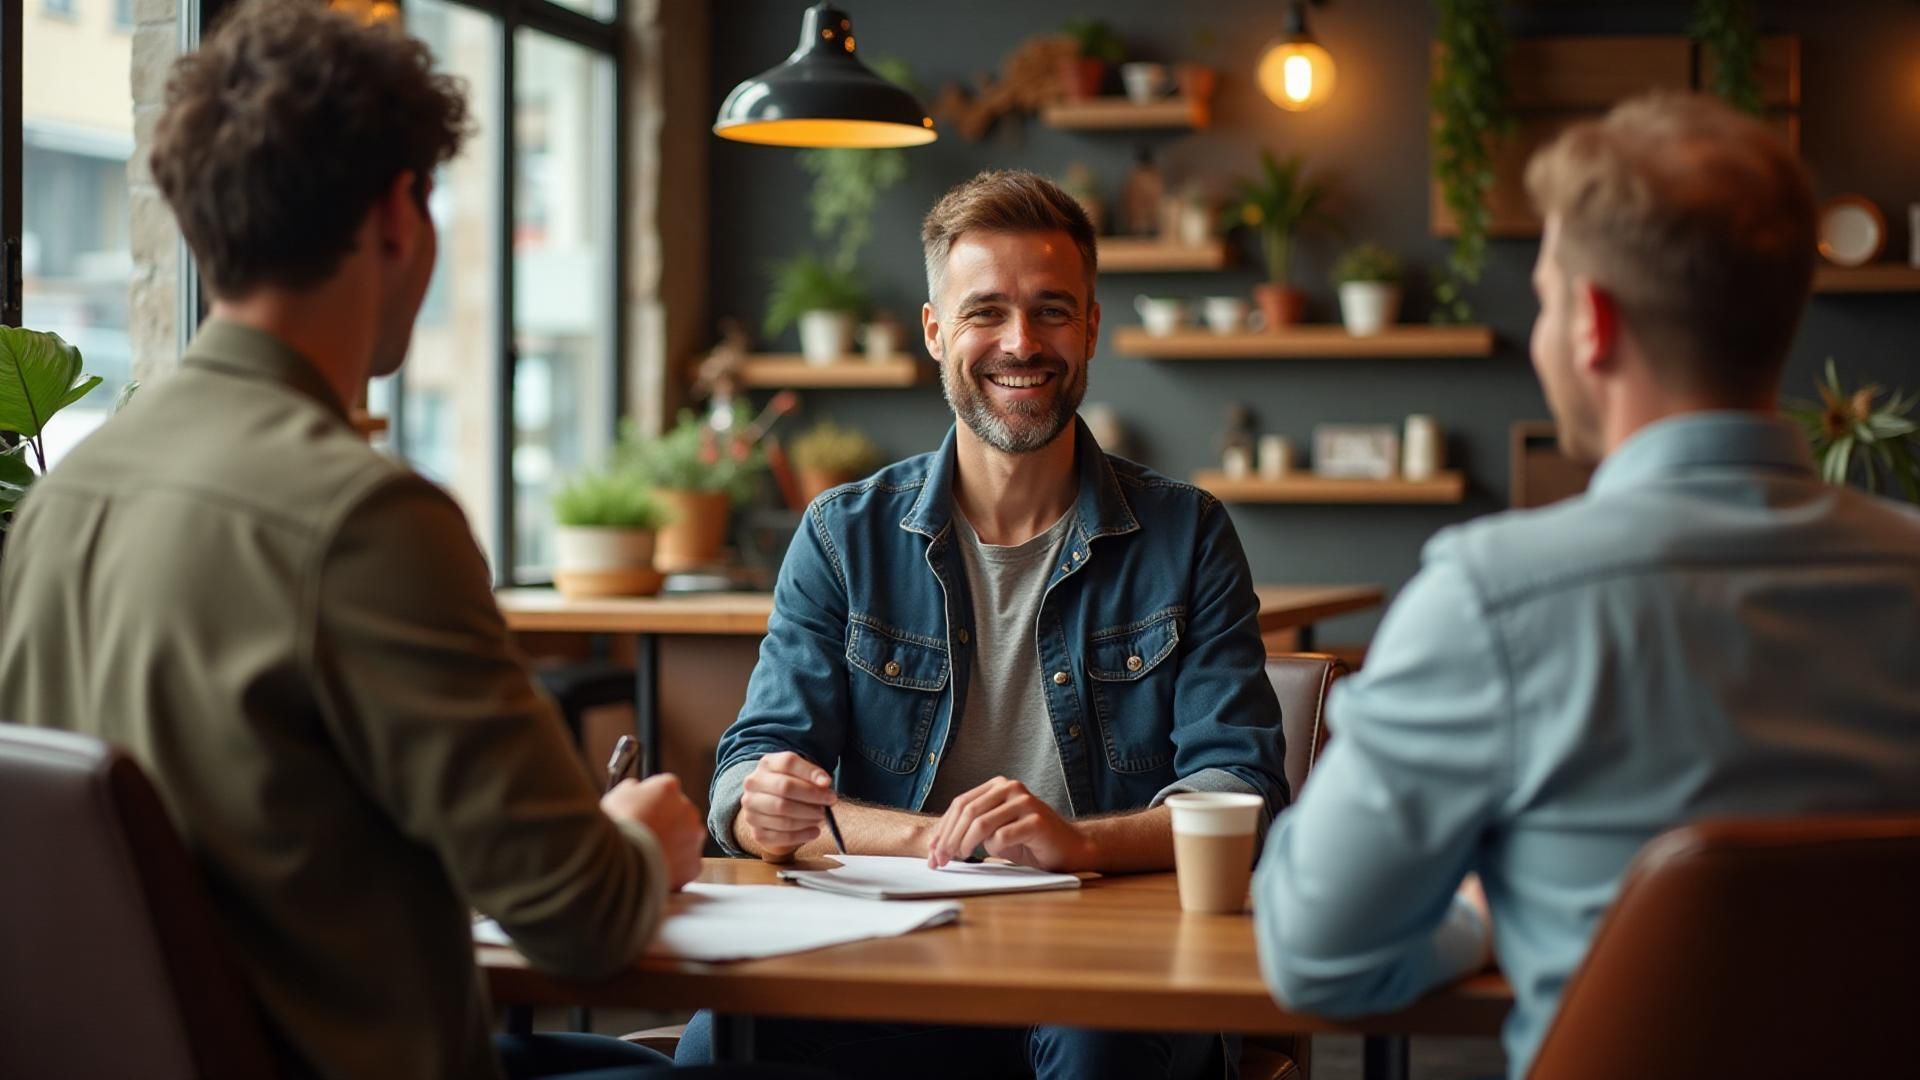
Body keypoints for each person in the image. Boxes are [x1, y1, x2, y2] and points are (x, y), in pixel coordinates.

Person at [0, 5, 807, 1079]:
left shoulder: (64, 501)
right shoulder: (365, 521)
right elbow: (583, 920)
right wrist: (644, 833)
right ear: (397, 216)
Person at [1251, 92, 1920, 1078]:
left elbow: (1313, 954)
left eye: (1548, 298)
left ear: (1593, 324)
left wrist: (1479, 924)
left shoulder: (1492, 601)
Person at [675, 170, 1288, 1078]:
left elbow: (1240, 793)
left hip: (1106, 968)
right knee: (713, 1049)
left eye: (1050, 310)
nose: (1019, 343)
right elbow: (750, 773)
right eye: (985, 311)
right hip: (887, 948)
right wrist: (769, 807)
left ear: (1090, 328)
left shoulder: (1187, 534)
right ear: (935, 332)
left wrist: (1077, 845)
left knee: (1097, 1056)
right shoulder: (844, 536)